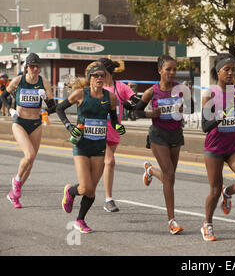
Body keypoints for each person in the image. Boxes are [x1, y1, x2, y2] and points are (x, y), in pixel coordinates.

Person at [56, 61, 126, 233]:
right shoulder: (80, 94)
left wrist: (118, 127)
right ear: (90, 78)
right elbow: (59, 108)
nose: (100, 78)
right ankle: (71, 192)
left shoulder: (110, 97)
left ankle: (80, 220)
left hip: (99, 146)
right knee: (85, 187)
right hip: (81, 145)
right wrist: (69, 126)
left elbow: (113, 118)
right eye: (96, 75)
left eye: (102, 75)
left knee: (92, 190)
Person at [135, 55, 191, 235]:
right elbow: (136, 112)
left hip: (175, 134)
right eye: (168, 69)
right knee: (169, 174)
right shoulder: (151, 92)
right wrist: (151, 114)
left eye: (174, 69)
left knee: (170, 178)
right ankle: (172, 220)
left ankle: (150, 171)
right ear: (160, 70)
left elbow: (188, 108)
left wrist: (183, 109)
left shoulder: (180, 89)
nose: (172, 73)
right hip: (158, 135)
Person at [200, 53, 235, 242]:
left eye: (233, 69)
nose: (231, 73)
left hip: (234, 146)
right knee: (214, 190)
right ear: (218, 71)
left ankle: (228, 192)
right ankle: (207, 224)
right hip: (215, 147)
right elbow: (204, 126)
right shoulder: (209, 94)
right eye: (227, 69)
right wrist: (219, 118)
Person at [1, 53, 56, 208]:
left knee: (30, 162)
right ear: (26, 67)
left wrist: (45, 99)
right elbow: (3, 96)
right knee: (29, 154)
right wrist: (11, 109)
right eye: (32, 66)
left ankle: (14, 195)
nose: (35, 69)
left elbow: (52, 107)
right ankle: (16, 180)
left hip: (36, 123)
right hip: (19, 122)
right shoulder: (19, 80)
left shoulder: (44, 82)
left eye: (38, 66)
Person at [99, 58, 139, 212]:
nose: (97, 75)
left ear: (106, 71)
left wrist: (134, 103)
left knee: (102, 167)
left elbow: (135, 99)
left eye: (100, 71)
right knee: (109, 162)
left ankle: (78, 189)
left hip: (114, 132)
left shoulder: (120, 87)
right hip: (97, 132)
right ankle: (109, 200)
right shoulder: (96, 87)